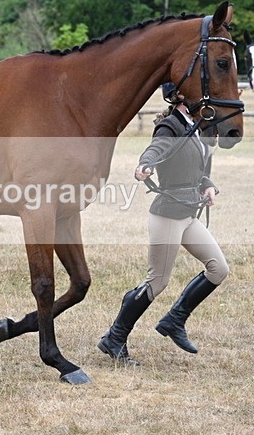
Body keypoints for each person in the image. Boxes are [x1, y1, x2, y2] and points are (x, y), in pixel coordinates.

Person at [98, 83, 230, 365]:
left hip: (187, 214)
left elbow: (198, 170)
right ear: (181, 97)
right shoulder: (170, 126)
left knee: (219, 268)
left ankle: (174, 320)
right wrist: (145, 164)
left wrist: (207, 186)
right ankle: (114, 337)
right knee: (157, 282)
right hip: (168, 215)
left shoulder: (195, 128)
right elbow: (155, 149)